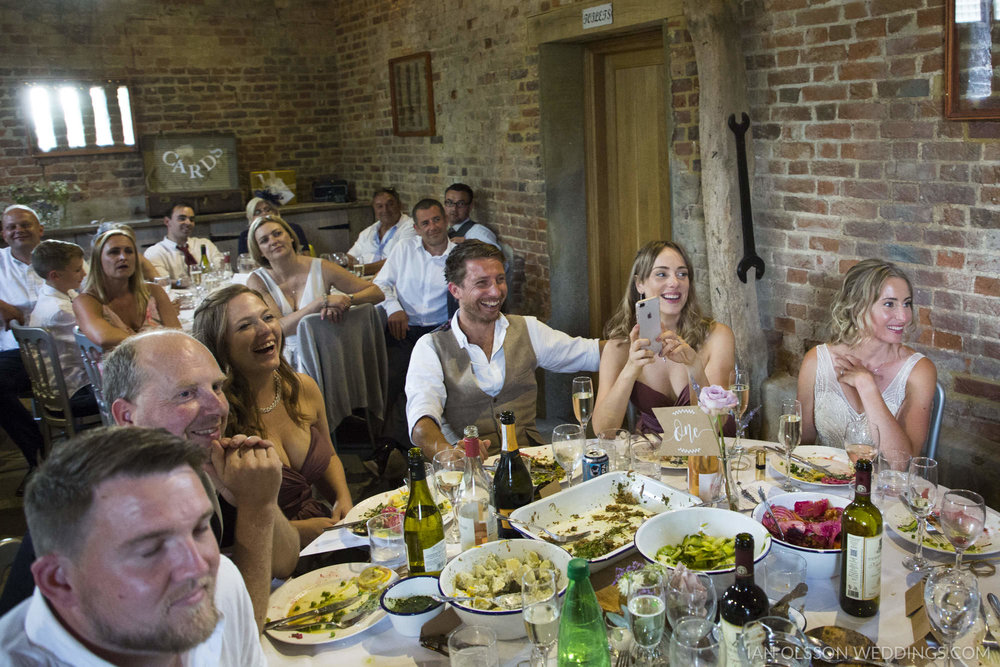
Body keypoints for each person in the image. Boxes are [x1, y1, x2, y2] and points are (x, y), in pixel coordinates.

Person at [0, 427, 266, 666]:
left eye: (198, 529)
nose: (198, 566)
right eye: (151, 549)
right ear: (60, 581)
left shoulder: (223, 585)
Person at [406, 241, 602, 457]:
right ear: (455, 290)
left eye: (500, 280)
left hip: (531, 464)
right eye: (482, 283)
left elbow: (593, 353)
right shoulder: (430, 347)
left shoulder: (528, 329)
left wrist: (640, 341)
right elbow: (420, 423)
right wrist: (447, 452)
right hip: (468, 473)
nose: (496, 291)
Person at [193, 285, 354, 547]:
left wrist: (342, 499)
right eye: (245, 326)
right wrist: (295, 531)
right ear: (219, 345)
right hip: (262, 556)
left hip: (325, 536)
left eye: (267, 317)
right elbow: (225, 526)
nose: (266, 330)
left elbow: (330, 456)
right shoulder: (216, 419)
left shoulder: (303, 388)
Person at [591, 241, 735, 435]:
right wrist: (631, 369)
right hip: (651, 457)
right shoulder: (618, 348)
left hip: (709, 457)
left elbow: (713, 425)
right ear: (639, 283)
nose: (675, 282)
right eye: (661, 274)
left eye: (682, 274)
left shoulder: (717, 337)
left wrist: (694, 366)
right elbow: (603, 432)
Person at [796, 259, 937, 458]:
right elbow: (801, 448)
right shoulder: (816, 361)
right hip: (823, 483)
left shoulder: (920, 371)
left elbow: (902, 464)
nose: (904, 316)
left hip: (885, 488)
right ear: (857, 307)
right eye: (889, 304)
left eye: (907, 304)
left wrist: (866, 386)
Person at [245, 213, 383, 367]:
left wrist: (346, 300)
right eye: (264, 240)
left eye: (278, 233)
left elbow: (377, 293)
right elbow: (278, 328)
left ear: (290, 236)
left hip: (325, 353)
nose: (274, 241)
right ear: (260, 251)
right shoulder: (257, 281)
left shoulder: (321, 267)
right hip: (283, 360)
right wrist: (320, 303)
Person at [0, 205, 47, 490]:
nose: (18, 230)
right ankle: (38, 453)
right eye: (11, 226)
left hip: (67, 350)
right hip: (15, 352)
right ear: (3, 234)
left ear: (40, 229)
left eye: (25, 224)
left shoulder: (60, 257)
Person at [73, 226, 180, 349]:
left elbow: (178, 335)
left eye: (129, 251)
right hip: (119, 368)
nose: (123, 257)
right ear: (98, 260)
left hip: (163, 364)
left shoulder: (154, 291)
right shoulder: (86, 301)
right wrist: (154, 343)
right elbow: (103, 337)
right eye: (114, 252)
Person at [28, 239, 97, 416]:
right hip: (72, 392)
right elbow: (94, 348)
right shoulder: (59, 311)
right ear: (55, 275)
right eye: (77, 270)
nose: (83, 273)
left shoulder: (55, 292)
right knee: (136, 391)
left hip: (69, 382)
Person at [144, 202, 224, 282]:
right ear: (167, 221)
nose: (188, 223)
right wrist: (181, 283)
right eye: (182, 219)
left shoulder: (205, 245)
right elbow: (162, 283)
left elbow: (222, 271)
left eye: (191, 219)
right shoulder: (155, 252)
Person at [346, 187, 415, 274]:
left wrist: (361, 270)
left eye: (390, 204)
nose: (385, 210)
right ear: (374, 208)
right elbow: (350, 257)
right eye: (380, 206)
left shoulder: (410, 227)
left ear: (399, 205)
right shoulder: (368, 232)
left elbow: (397, 261)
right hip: (364, 280)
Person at [237, 196, 309, 256]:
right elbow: (245, 262)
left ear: (275, 212)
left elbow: (306, 255)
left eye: (267, 209)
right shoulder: (245, 236)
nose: (264, 213)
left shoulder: (293, 228)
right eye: (258, 212)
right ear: (250, 218)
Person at [443, 183, 499, 247]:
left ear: (470, 206)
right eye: (449, 203)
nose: (454, 208)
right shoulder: (444, 232)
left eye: (461, 204)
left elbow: (495, 255)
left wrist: (469, 243)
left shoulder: (479, 232)